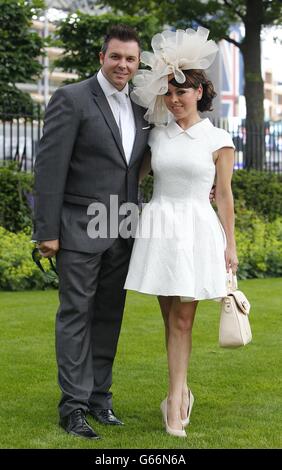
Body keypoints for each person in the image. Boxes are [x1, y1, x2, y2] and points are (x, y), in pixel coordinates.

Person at [32, 24, 151, 439]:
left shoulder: (141, 106)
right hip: (78, 228)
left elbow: (144, 162)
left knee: (108, 318)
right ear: (102, 57)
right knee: (75, 318)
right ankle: (74, 407)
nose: (123, 64)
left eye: (130, 59)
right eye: (116, 56)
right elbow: (49, 168)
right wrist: (46, 231)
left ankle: (101, 400)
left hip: (122, 229)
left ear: (138, 65)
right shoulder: (72, 98)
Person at [124, 27, 239, 437]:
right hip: (159, 231)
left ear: (199, 92)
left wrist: (231, 245)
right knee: (169, 317)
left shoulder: (218, 139)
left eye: (182, 92)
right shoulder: (155, 135)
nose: (174, 100)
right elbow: (132, 178)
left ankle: (174, 404)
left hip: (196, 231)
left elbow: (223, 196)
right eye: (169, 93)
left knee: (183, 320)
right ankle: (182, 390)